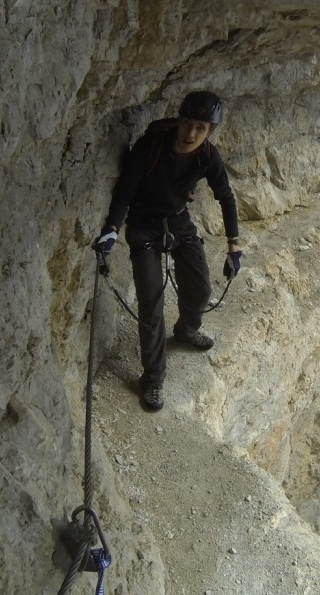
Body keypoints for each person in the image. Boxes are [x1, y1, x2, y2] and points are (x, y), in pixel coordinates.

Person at [94, 90, 242, 412]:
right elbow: (125, 192)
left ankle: (187, 330)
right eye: (187, 124)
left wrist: (234, 246)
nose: (191, 133)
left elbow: (226, 198)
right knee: (151, 302)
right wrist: (111, 230)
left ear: (210, 133)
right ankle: (153, 378)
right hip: (144, 225)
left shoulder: (206, 156)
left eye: (200, 128)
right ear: (178, 120)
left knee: (201, 289)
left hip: (178, 221)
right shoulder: (151, 147)